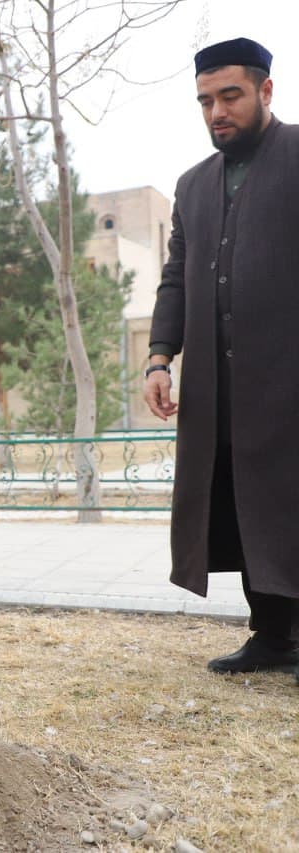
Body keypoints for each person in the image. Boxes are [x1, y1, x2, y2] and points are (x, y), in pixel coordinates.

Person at [145, 37, 299, 680]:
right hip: (220, 385)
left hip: (289, 377)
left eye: (230, 96)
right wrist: (159, 358)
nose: (217, 112)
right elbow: (176, 278)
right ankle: (273, 636)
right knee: (241, 502)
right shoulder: (192, 185)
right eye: (206, 101)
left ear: (266, 90)